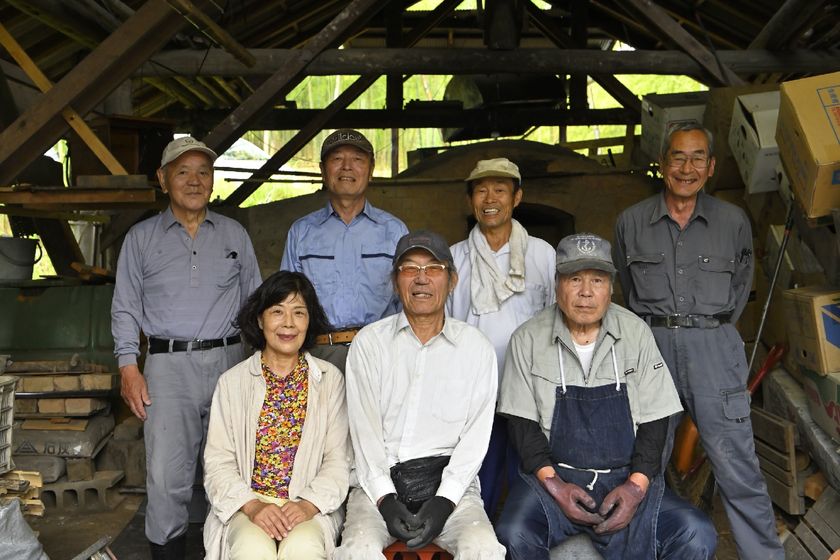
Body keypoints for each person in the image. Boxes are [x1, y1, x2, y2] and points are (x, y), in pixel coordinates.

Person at [613, 123, 783, 559]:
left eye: (696, 158)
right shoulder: (630, 222)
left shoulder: (732, 221)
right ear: (662, 163)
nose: (686, 168)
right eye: (677, 157)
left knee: (737, 468)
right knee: (641, 467)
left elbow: (742, 286)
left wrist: (708, 329)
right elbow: (625, 292)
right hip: (651, 348)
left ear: (710, 167)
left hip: (715, 348)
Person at [496, 233, 717, 560]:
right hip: (553, 479)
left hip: (625, 477)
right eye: (574, 279)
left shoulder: (635, 333)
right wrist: (555, 486)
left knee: (696, 533)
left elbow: (657, 421)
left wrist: (635, 487)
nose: (586, 292)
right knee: (513, 533)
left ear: (611, 288)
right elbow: (522, 426)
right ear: (557, 285)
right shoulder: (527, 339)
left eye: (597, 280)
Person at [111, 136, 261, 559]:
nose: (194, 181)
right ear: (162, 180)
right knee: (166, 476)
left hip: (231, 363)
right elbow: (124, 308)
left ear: (213, 180)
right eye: (182, 172)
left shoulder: (234, 233)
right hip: (166, 368)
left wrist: (262, 368)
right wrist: (128, 367)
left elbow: (258, 304)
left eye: (203, 172)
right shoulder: (141, 239)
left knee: (235, 469)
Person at [335, 230, 506, 560]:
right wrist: (385, 499)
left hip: (452, 488)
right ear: (396, 281)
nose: (422, 279)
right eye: (410, 268)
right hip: (377, 486)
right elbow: (363, 433)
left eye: (434, 268)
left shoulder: (476, 348)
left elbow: (476, 437)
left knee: (484, 550)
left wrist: (446, 500)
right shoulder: (369, 344)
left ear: (452, 280)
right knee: (358, 550)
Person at [203, 271, 351, 560]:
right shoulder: (233, 382)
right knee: (251, 552)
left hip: (307, 505)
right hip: (248, 505)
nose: (288, 323)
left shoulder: (330, 380)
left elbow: (339, 460)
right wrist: (253, 506)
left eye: (299, 313)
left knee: (303, 551)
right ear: (260, 320)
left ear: (310, 321)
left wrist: (307, 504)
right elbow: (218, 461)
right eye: (277, 312)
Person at [447, 157, 555, 519]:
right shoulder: (454, 259)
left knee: (529, 483)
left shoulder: (542, 255)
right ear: (470, 200)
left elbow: (557, 321)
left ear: (517, 197)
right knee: (478, 486)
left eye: (500, 190)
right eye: (481, 190)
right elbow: (444, 326)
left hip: (529, 394)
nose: (489, 198)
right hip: (473, 396)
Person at [280, 129, 408, 371]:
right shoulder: (302, 232)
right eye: (337, 159)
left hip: (380, 351)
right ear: (322, 170)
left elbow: (406, 301)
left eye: (358, 160)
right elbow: (287, 302)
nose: (347, 167)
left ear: (370, 170)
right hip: (318, 354)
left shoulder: (394, 231)